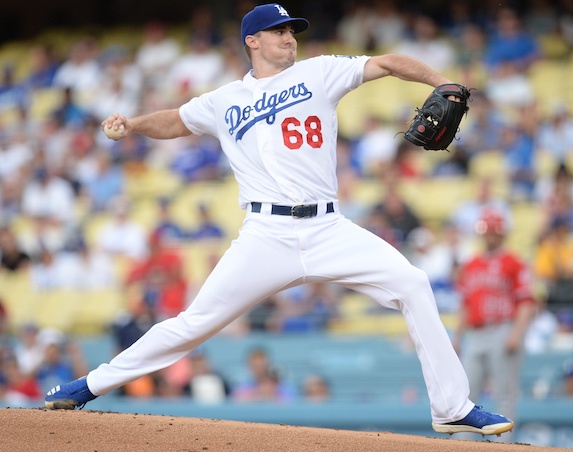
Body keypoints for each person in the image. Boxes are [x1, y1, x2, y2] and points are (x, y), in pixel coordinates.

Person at [44, 4, 514, 436]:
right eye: (279, 31)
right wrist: (134, 125)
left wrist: (440, 82)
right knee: (194, 323)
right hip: (266, 236)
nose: (289, 37)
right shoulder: (224, 99)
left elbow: (387, 62)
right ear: (252, 40)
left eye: (292, 30)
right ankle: (88, 386)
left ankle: (452, 408)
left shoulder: (320, 72)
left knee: (412, 284)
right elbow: (176, 120)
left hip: (329, 228)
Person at [453, 210, 535, 425]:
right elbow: (465, 304)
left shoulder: (514, 262)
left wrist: (517, 334)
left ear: (503, 234)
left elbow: (526, 302)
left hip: (503, 328)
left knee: (505, 396)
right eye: (486, 231)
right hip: (476, 333)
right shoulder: (471, 264)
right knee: (466, 396)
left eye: (494, 231)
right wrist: (457, 337)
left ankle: (503, 446)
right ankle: (462, 446)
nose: (489, 235)